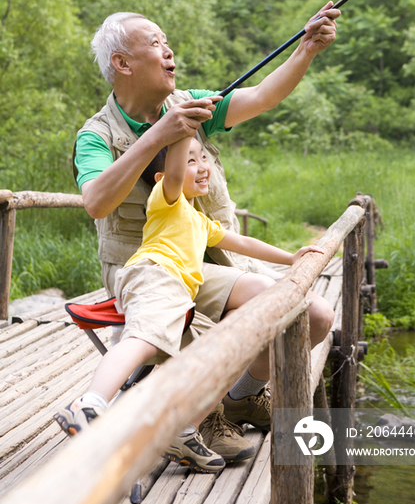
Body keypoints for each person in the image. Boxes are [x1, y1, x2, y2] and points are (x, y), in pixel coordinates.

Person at [70, 4, 339, 460]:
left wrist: (306, 49)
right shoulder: (95, 136)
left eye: (166, 40)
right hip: (143, 268)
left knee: (313, 315)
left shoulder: (190, 103)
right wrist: (157, 136)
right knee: (220, 323)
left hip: (206, 258)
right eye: (155, 43)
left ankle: (239, 398)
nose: (169, 50)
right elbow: (96, 201)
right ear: (122, 63)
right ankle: (196, 416)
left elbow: (262, 96)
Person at [55, 134, 325, 472]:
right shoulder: (166, 200)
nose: (202, 167)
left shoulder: (199, 220)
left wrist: (291, 257)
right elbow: (173, 171)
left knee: (221, 351)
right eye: (190, 160)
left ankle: (183, 428)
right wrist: (183, 129)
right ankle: (89, 402)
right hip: (153, 274)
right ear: (164, 177)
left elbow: (242, 241)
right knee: (144, 338)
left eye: (204, 158)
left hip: (180, 294)